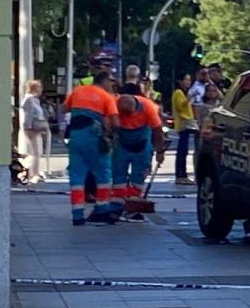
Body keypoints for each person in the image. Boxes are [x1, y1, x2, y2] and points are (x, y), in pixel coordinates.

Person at [64, 71, 119, 225]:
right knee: (103, 174)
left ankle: (77, 214)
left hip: (75, 137)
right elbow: (114, 122)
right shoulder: (107, 97)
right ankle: (102, 209)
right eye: (111, 80)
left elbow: (64, 109)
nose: (112, 84)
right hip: (95, 137)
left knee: (76, 176)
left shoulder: (77, 91)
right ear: (104, 81)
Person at [113, 83, 165, 219]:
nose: (127, 118)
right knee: (118, 175)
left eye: (129, 115)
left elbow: (158, 131)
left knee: (138, 176)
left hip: (141, 145)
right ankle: (118, 205)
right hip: (121, 144)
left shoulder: (148, 107)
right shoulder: (114, 105)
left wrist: (160, 151)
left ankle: (133, 206)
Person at [20, 80, 48, 184]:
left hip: (35, 128)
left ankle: (33, 172)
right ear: (34, 88)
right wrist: (29, 128)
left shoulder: (35, 100)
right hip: (31, 128)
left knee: (36, 152)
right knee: (35, 152)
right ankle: (30, 172)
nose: (41, 89)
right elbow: (29, 115)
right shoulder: (30, 100)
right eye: (39, 87)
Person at [172, 73, 197, 185]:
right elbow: (180, 106)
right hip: (183, 124)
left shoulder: (182, 93)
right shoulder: (178, 93)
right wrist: (189, 98)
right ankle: (181, 175)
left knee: (184, 151)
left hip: (185, 125)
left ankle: (182, 175)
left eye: (189, 80)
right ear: (180, 81)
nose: (189, 82)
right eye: (186, 80)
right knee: (182, 151)